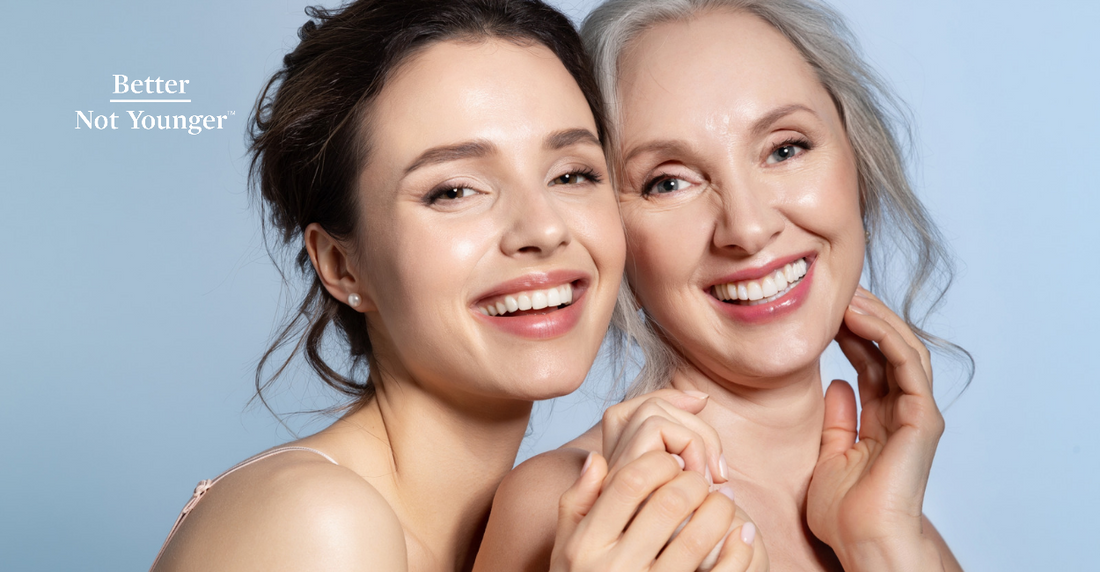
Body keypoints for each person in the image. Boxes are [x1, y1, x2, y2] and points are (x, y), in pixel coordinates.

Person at [149, 1, 758, 570]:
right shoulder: (317, 522)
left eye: (572, 174)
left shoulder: (538, 530)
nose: (544, 229)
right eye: (455, 190)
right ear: (340, 265)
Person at [478, 0, 970, 570]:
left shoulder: (899, 526)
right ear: (610, 228)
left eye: (785, 149)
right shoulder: (569, 508)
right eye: (668, 182)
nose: (748, 228)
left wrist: (882, 546)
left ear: (857, 158)